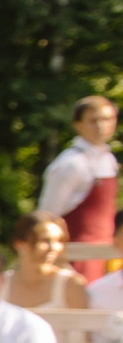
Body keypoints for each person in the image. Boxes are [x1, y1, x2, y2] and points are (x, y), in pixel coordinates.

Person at [37, 94, 116, 280]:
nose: (101, 126)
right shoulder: (71, 164)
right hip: (75, 258)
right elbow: (46, 216)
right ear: (78, 125)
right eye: (93, 121)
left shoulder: (109, 160)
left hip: (105, 255)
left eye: (106, 119)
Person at [6, 211, 92, 311]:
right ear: (20, 244)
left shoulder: (71, 285)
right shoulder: (1, 284)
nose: (53, 247)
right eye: (45, 240)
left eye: (58, 241)